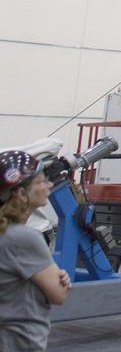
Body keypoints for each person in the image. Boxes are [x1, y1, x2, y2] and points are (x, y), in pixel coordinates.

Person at [0, 150, 69, 351]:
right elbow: (58, 294)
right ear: (21, 193)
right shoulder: (24, 238)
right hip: (20, 342)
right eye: (41, 181)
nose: (49, 184)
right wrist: (58, 277)